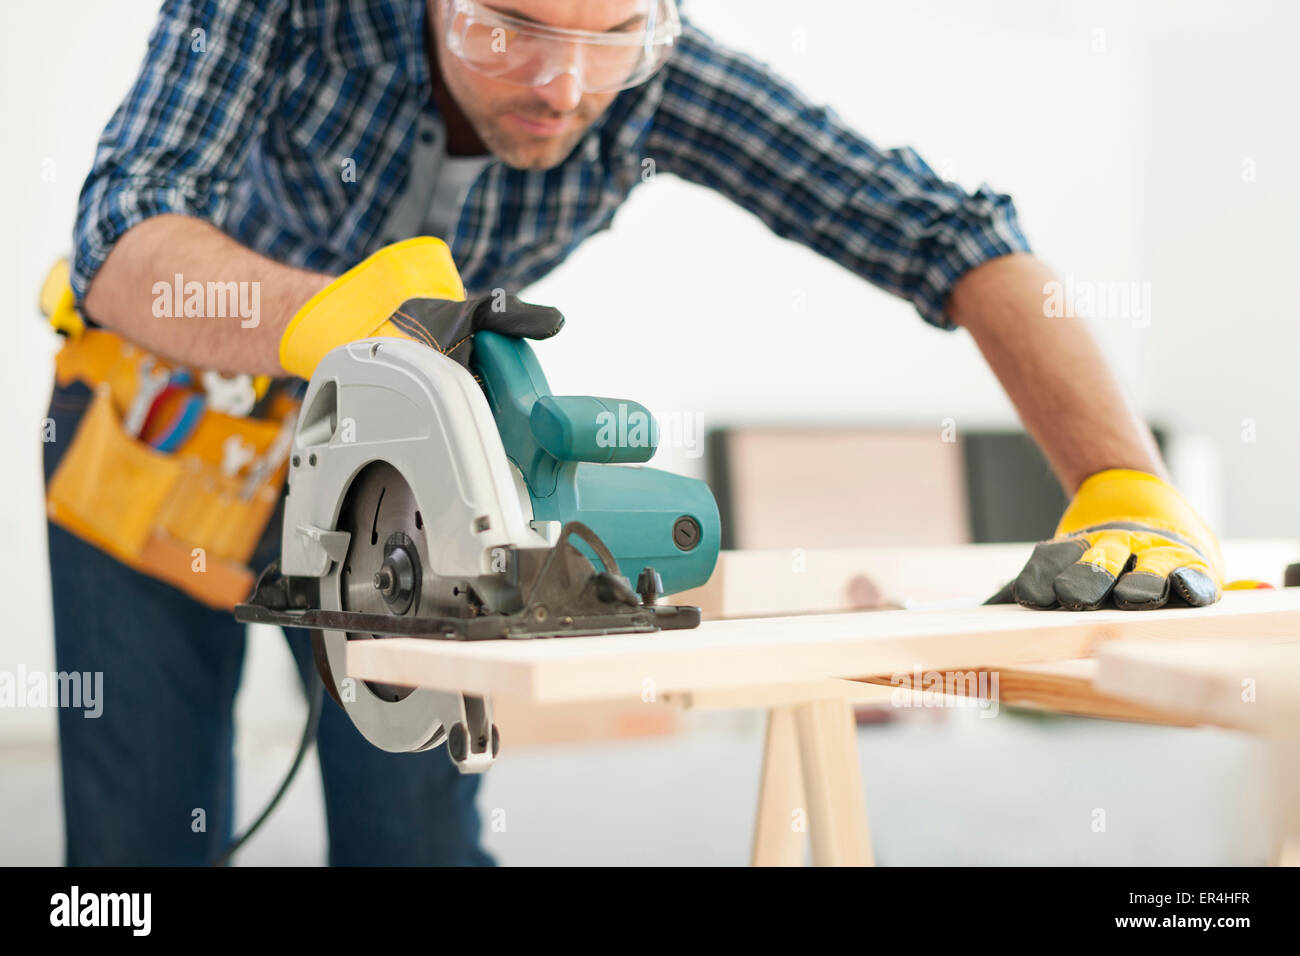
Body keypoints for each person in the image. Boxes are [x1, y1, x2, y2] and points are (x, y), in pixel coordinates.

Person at [49, 0, 1224, 865]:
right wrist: (319, 317)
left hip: (404, 472)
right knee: (138, 842)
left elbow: (949, 233)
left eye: (612, 37)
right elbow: (120, 227)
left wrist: (1123, 479)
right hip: (162, 428)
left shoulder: (663, 79)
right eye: (510, 30)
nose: (563, 87)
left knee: (417, 840)